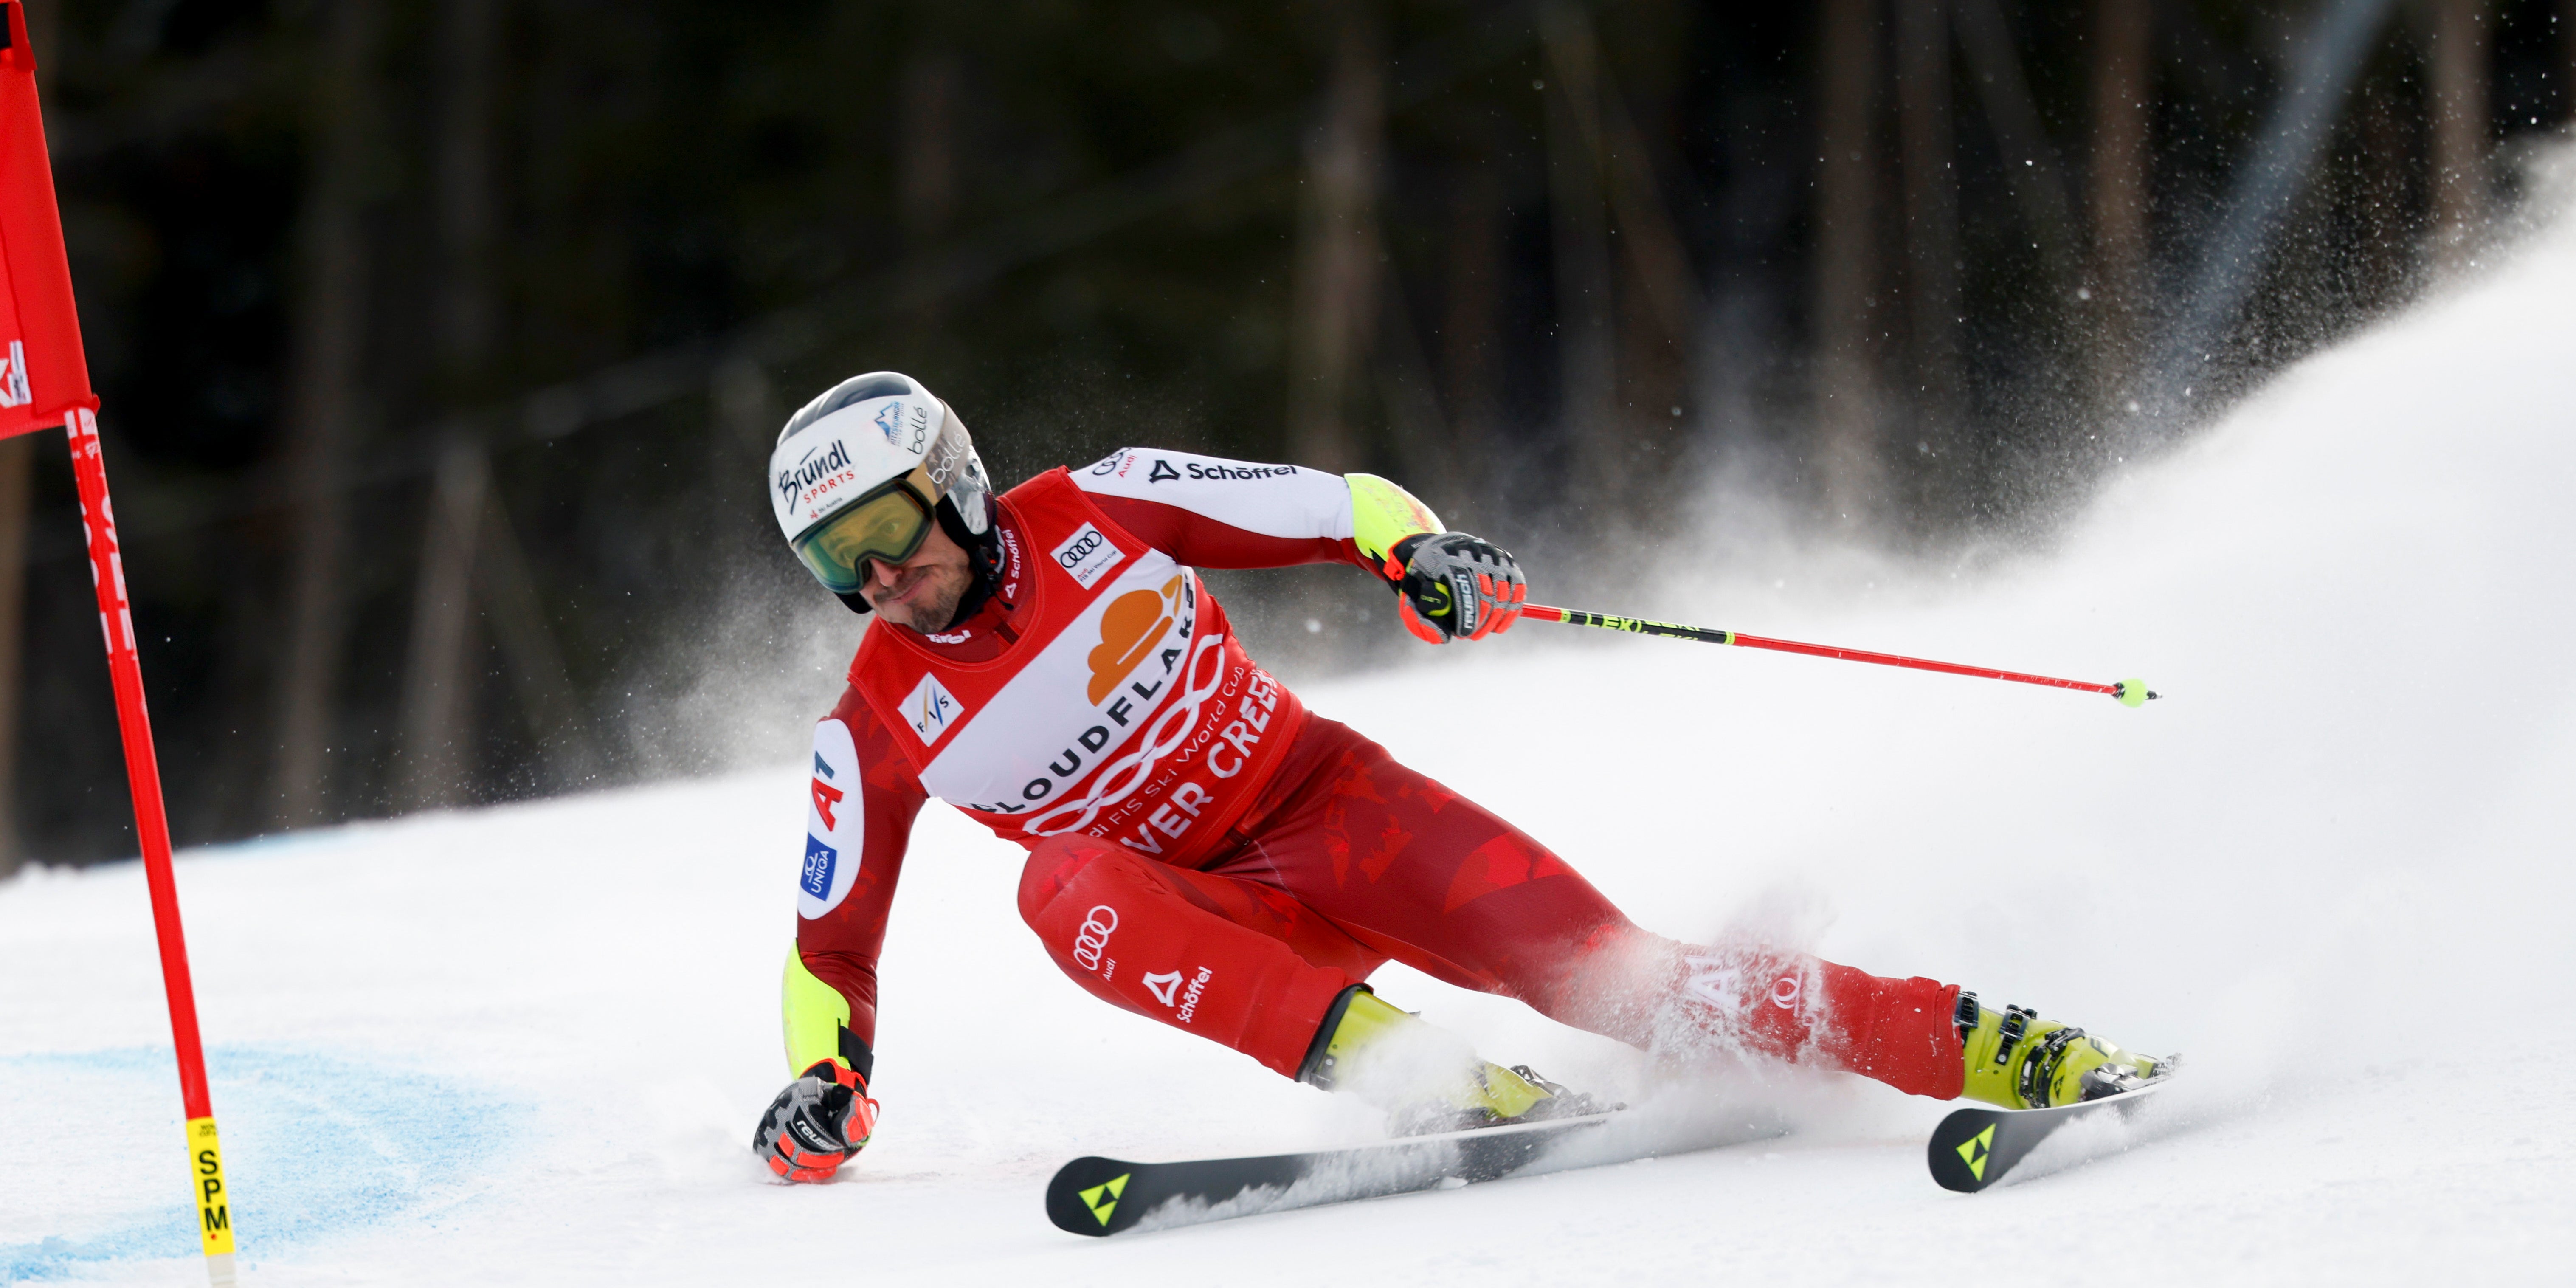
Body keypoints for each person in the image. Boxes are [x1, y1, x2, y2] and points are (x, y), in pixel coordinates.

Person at [749, 372, 2167, 1183]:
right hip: (1213, 919)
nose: (877, 577)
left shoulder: (1101, 504)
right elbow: (830, 945)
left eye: (885, 529)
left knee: (1626, 980)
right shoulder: (871, 725)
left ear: (952, 478)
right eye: (834, 562)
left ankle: (2003, 1046)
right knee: (1062, 884)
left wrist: (1419, 554)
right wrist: (826, 1079)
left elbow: (1335, 507)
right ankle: (1421, 1076)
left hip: (1335, 811)